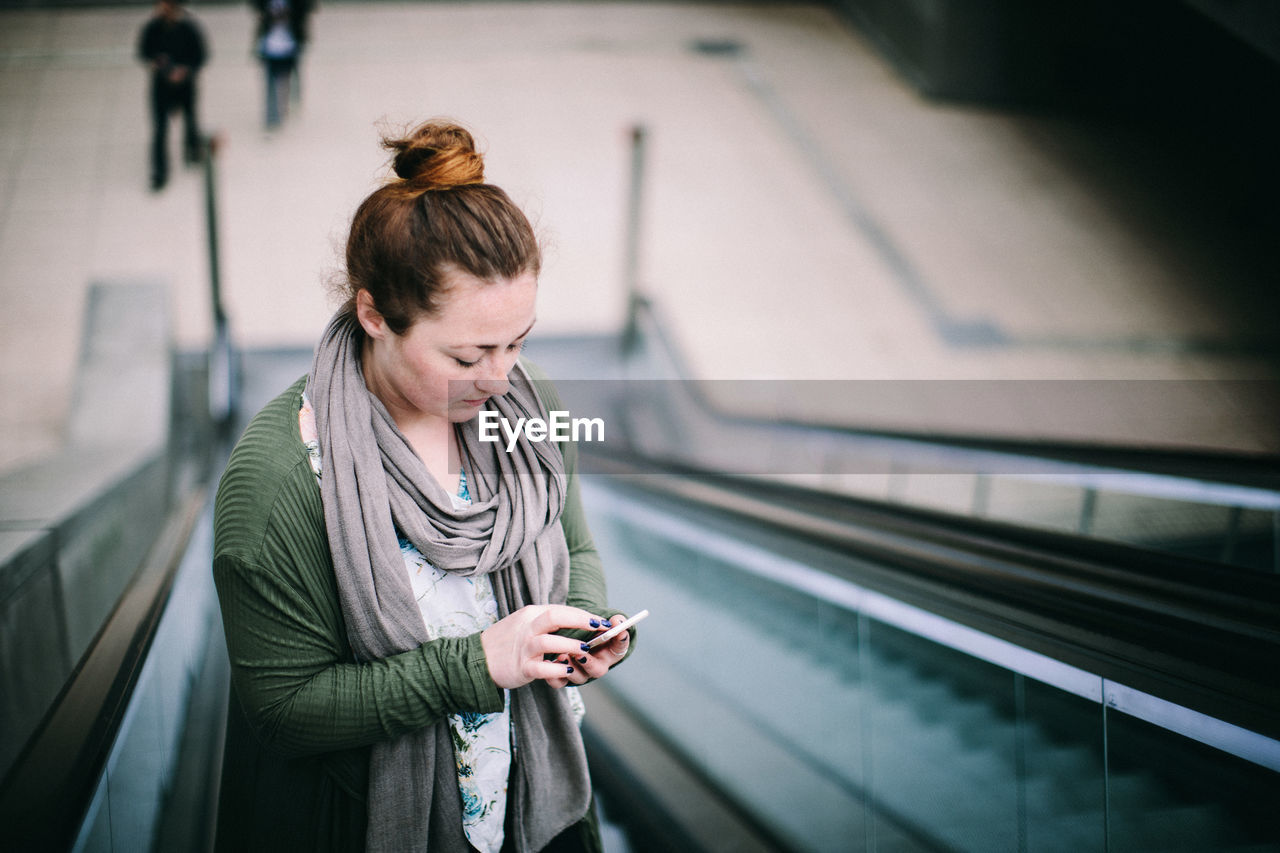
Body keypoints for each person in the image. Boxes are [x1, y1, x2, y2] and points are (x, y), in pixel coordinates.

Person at [212, 119, 634, 853]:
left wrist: (582, 629)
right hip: (356, 823)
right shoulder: (281, 482)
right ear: (375, 314)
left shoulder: (528, 408)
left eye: (518, 341)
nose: (503, 377)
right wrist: (475, 666)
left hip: (539, 809)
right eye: (470, 352)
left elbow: (573, 544)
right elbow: (281, 708)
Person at [137, 0, 208, 191]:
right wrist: (158, 65)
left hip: (185, 85)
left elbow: (200, 56)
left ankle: (192, 151)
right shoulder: (153, 28)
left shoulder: (188, 28)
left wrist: (185, 71)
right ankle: (159, 172)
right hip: (161, 86)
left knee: (190, 119)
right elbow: (144, 53)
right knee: (160, 128)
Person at [252, 0, 307, 129]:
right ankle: (272, 117)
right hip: (270, 47)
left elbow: (303, 13)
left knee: (285, 80)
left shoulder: (295, 5)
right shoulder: (265, 6)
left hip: (288, 46)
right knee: (270, 83)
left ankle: (283, 107)